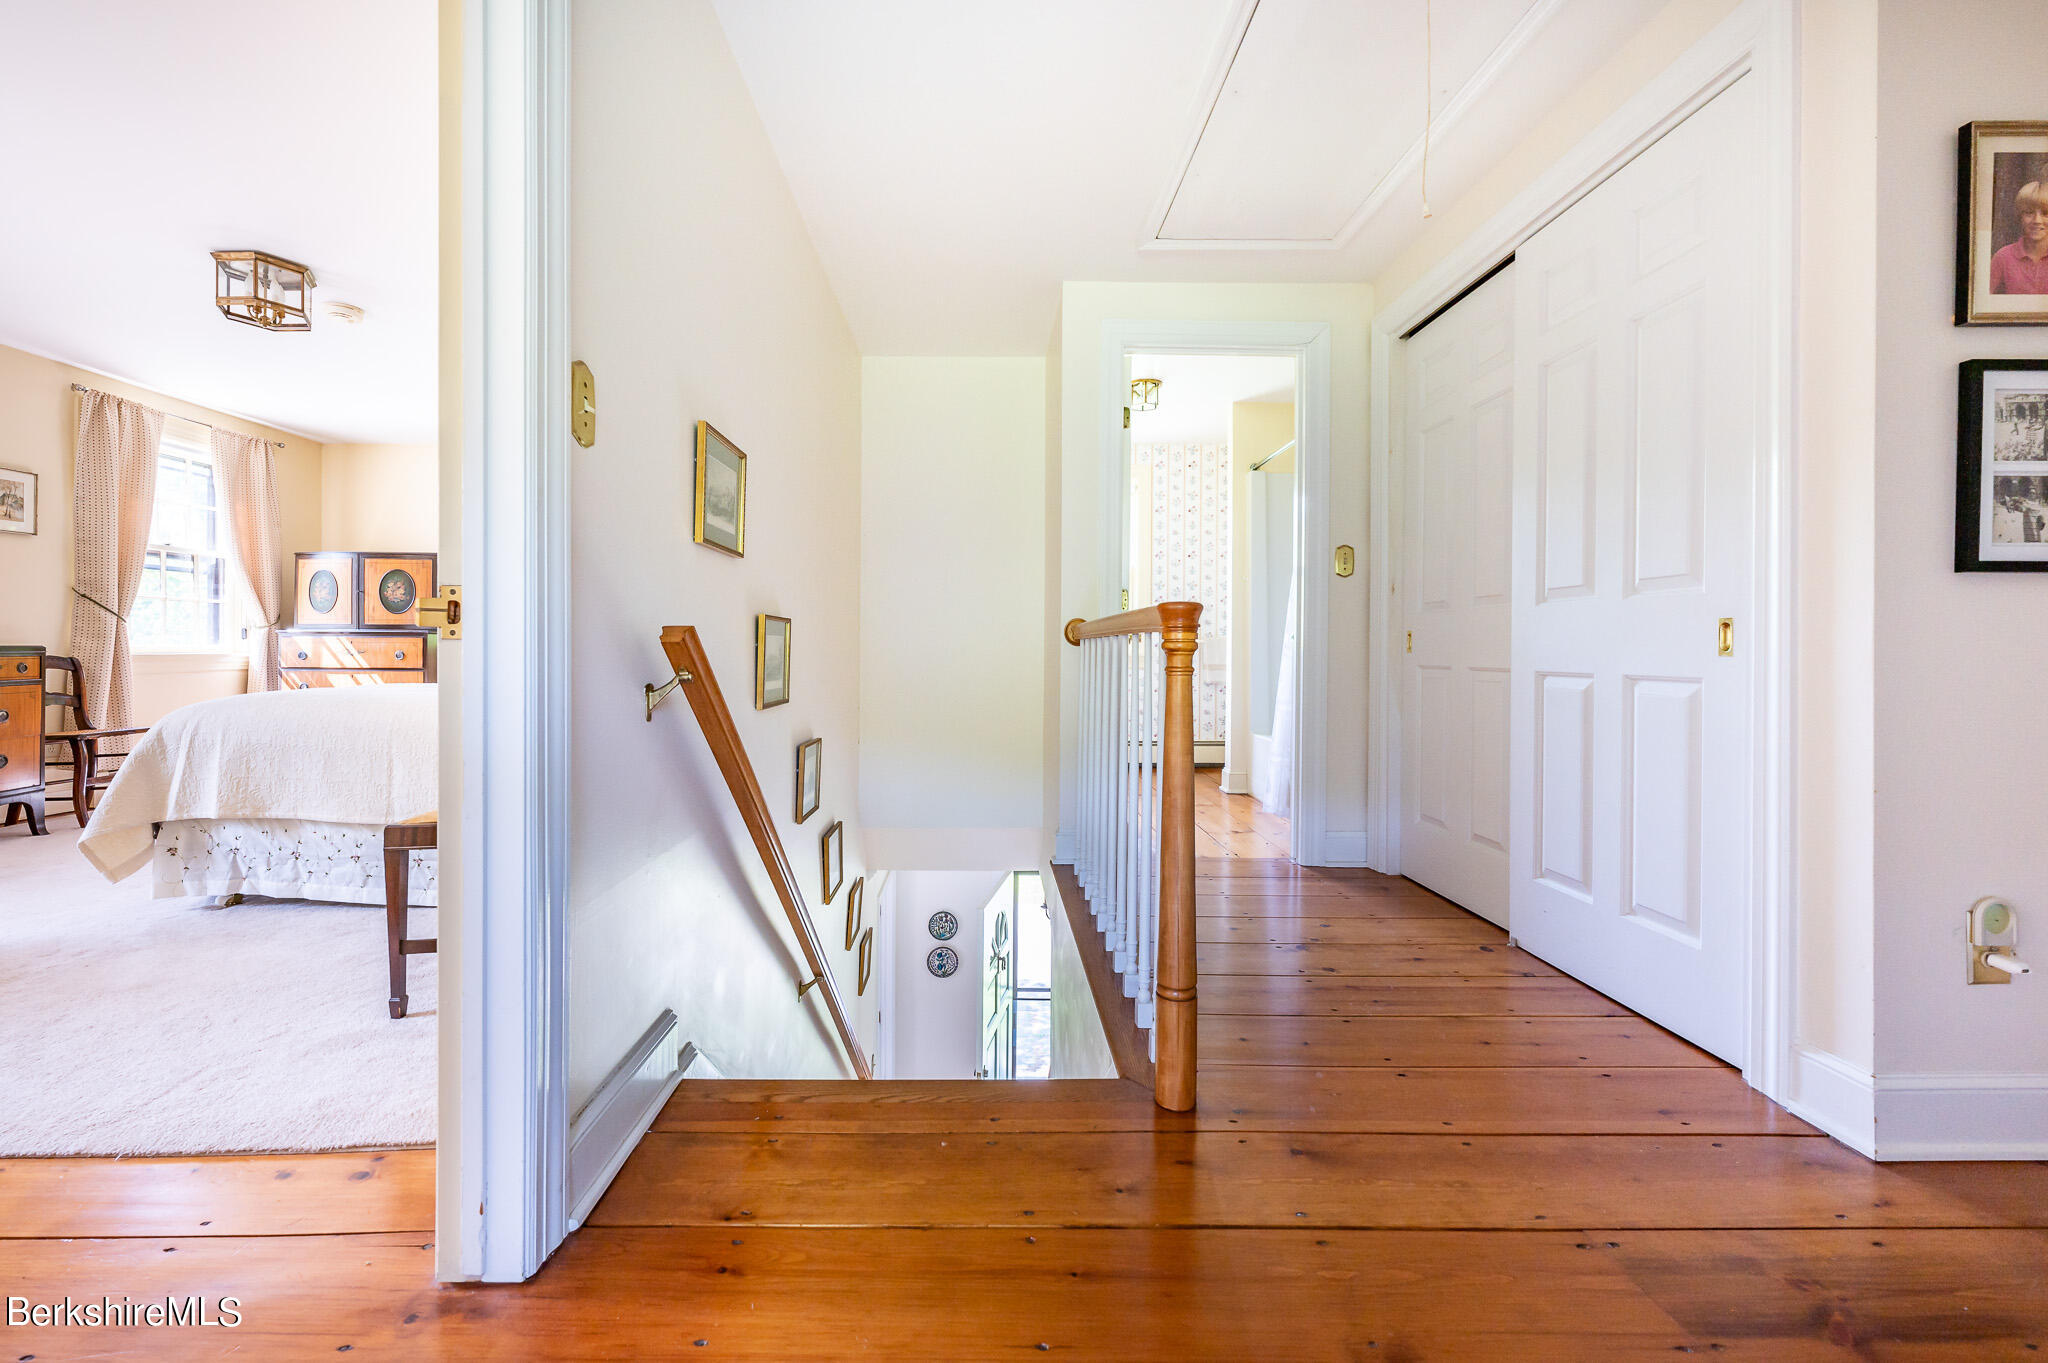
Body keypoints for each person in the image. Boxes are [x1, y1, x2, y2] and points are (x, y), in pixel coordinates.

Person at [1990, 180, 2048, 295]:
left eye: (2046, 213)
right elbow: (1981, 300)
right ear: (2020, 216)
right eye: (2029, 213)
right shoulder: (2003, 257)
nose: (2037, 220)